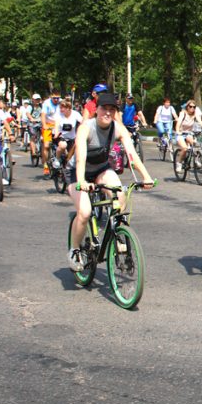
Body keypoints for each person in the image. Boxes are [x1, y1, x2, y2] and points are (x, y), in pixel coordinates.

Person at [67, 92, 154, 271]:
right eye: (104, 108)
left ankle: (115, 233)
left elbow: (131, 155)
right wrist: (82, 181)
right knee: (84, 212)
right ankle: (75, 250)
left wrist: (146, 177)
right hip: (78, 173)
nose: (108, 113)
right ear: (96, 110)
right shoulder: (86, 127)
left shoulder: (118, 128)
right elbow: (81, 157)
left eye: (112, 110)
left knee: (120, 195)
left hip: (100, 169)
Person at [172, 98, 202, 174]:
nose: (192, 108)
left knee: (196, 145)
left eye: (194, 107)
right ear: (187, 107)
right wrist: (178, 131)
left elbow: (200, 121)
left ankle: (196, 160)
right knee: (184, 148)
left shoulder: (195, 114)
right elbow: (178, 123)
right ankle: (179, 163)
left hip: (188, 134)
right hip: (181, 134)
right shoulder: (183, 113)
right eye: (190, 106)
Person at [52, 98, 82, 167]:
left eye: (62, 108)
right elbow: (56, 125)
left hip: (72, 138)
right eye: (60, 108)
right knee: (63, 145)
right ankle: (57, 159)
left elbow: (83, 122)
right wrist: (56, 133)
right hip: (61, 136)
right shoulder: (58, 115)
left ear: (68, 108)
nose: (61, 110)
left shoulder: (75, 114)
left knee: (74, 153)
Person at [40, 90, 61, 175]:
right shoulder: (46, 103)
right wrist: (44, 125)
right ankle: (45, 165)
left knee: (61, 145)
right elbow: (43, 115)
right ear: (51, 97)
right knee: (46, 145)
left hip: (58, 125)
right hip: (48, 125)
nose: (56, 100)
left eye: (57, 98)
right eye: (54, 98)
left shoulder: (61, 102)